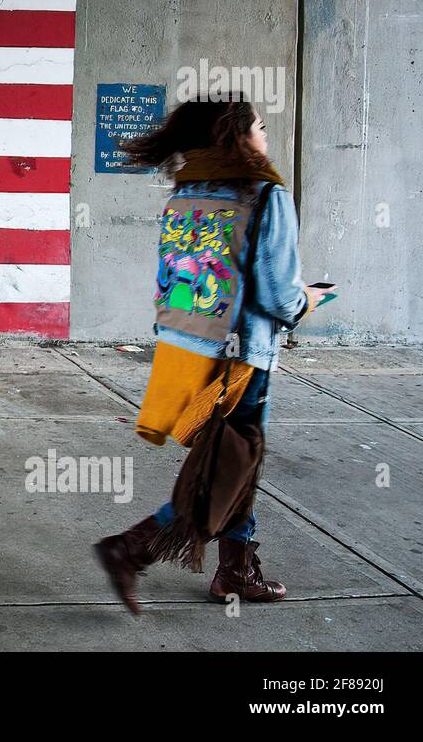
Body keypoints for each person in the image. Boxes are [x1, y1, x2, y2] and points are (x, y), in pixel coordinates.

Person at [93, 97, 332, 613]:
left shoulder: (187, 191)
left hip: (187, 347)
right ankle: (132, 546)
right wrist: (309, 299)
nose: (266, 136)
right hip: (241, 356)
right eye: (261, 128)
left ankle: (235, 570)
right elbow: (276, 293)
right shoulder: (265, 194)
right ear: (239, 136)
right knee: (229, 465)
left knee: (234, 461)